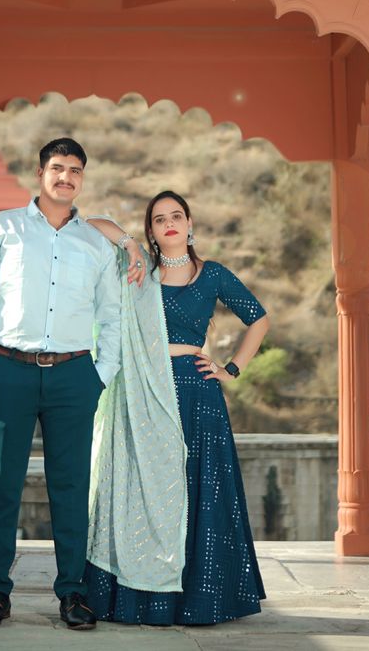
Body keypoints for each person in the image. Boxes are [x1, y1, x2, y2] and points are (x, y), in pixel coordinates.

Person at [0, 136, 132, 631]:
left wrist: (101, 375)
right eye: (57, 168)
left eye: (75, 170)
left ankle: (72, 594)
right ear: (41, 174)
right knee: (2, 487)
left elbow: (112, 314)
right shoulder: (1, 229)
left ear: (82, 178)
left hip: (75, 375)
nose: (66, 177)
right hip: (7, 370)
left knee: (72, 487)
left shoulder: (95, 243)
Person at [84, 190, 269, 626]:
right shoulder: (139, 271)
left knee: (197, 492)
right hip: (142, 392)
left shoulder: (213, 275)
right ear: (150, 230)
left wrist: (232, 369)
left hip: (196, 393)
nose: (169, 223)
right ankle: (136, 598)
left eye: (177, 216)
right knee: (142, 492)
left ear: (190, 225)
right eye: (159, 219)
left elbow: (258, 318)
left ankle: (197, 599)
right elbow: (91, 221)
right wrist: (129, 243)